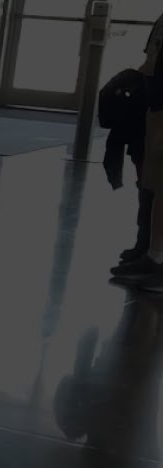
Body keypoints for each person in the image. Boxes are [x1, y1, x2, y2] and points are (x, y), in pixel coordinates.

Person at [110, 11, 163, 291]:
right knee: (151, 182)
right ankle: (148, 251)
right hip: (155, 108)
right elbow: (152, 61)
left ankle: (155, 258)